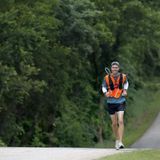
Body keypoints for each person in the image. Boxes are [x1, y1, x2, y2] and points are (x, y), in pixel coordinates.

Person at [102, 61, 129, 150]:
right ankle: (117, 140)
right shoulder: (106, 78)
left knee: (120, 121)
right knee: (114, 123)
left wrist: (125, 90)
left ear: (118, 68)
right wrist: (105, 93)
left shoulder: (123, 76)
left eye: (116, 67)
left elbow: (126, 83)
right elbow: (103, 87)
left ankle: (121, 142)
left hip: (121, 101)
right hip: (111, 102)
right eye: (113, 67)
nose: (114, 69)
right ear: (111, 69)